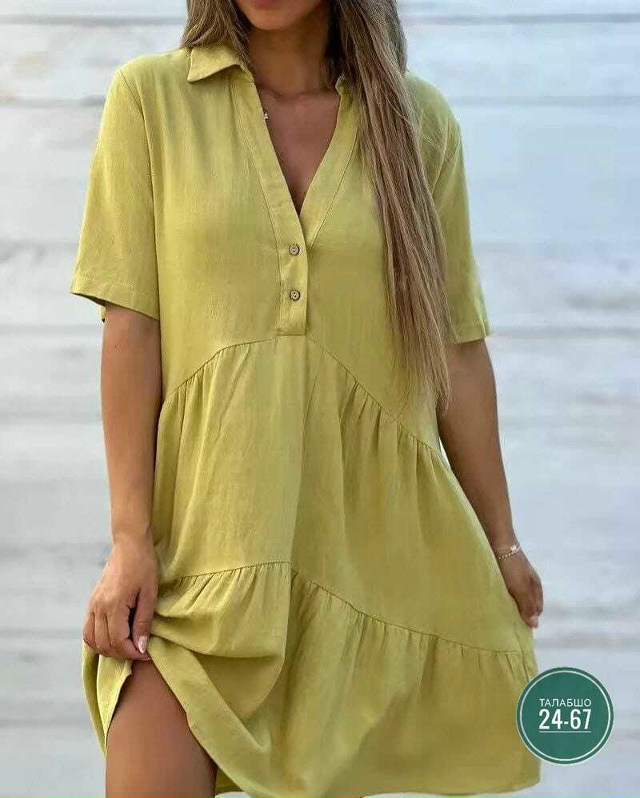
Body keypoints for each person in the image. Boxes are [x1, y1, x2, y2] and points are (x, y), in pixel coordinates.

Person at [69, 1, 545, 797]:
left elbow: (457, 351)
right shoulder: (152, 100)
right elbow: (132, 330)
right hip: (200, 567)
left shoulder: (418, 124)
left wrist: (503, 543)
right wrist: (130, 541)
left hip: (366, 577)